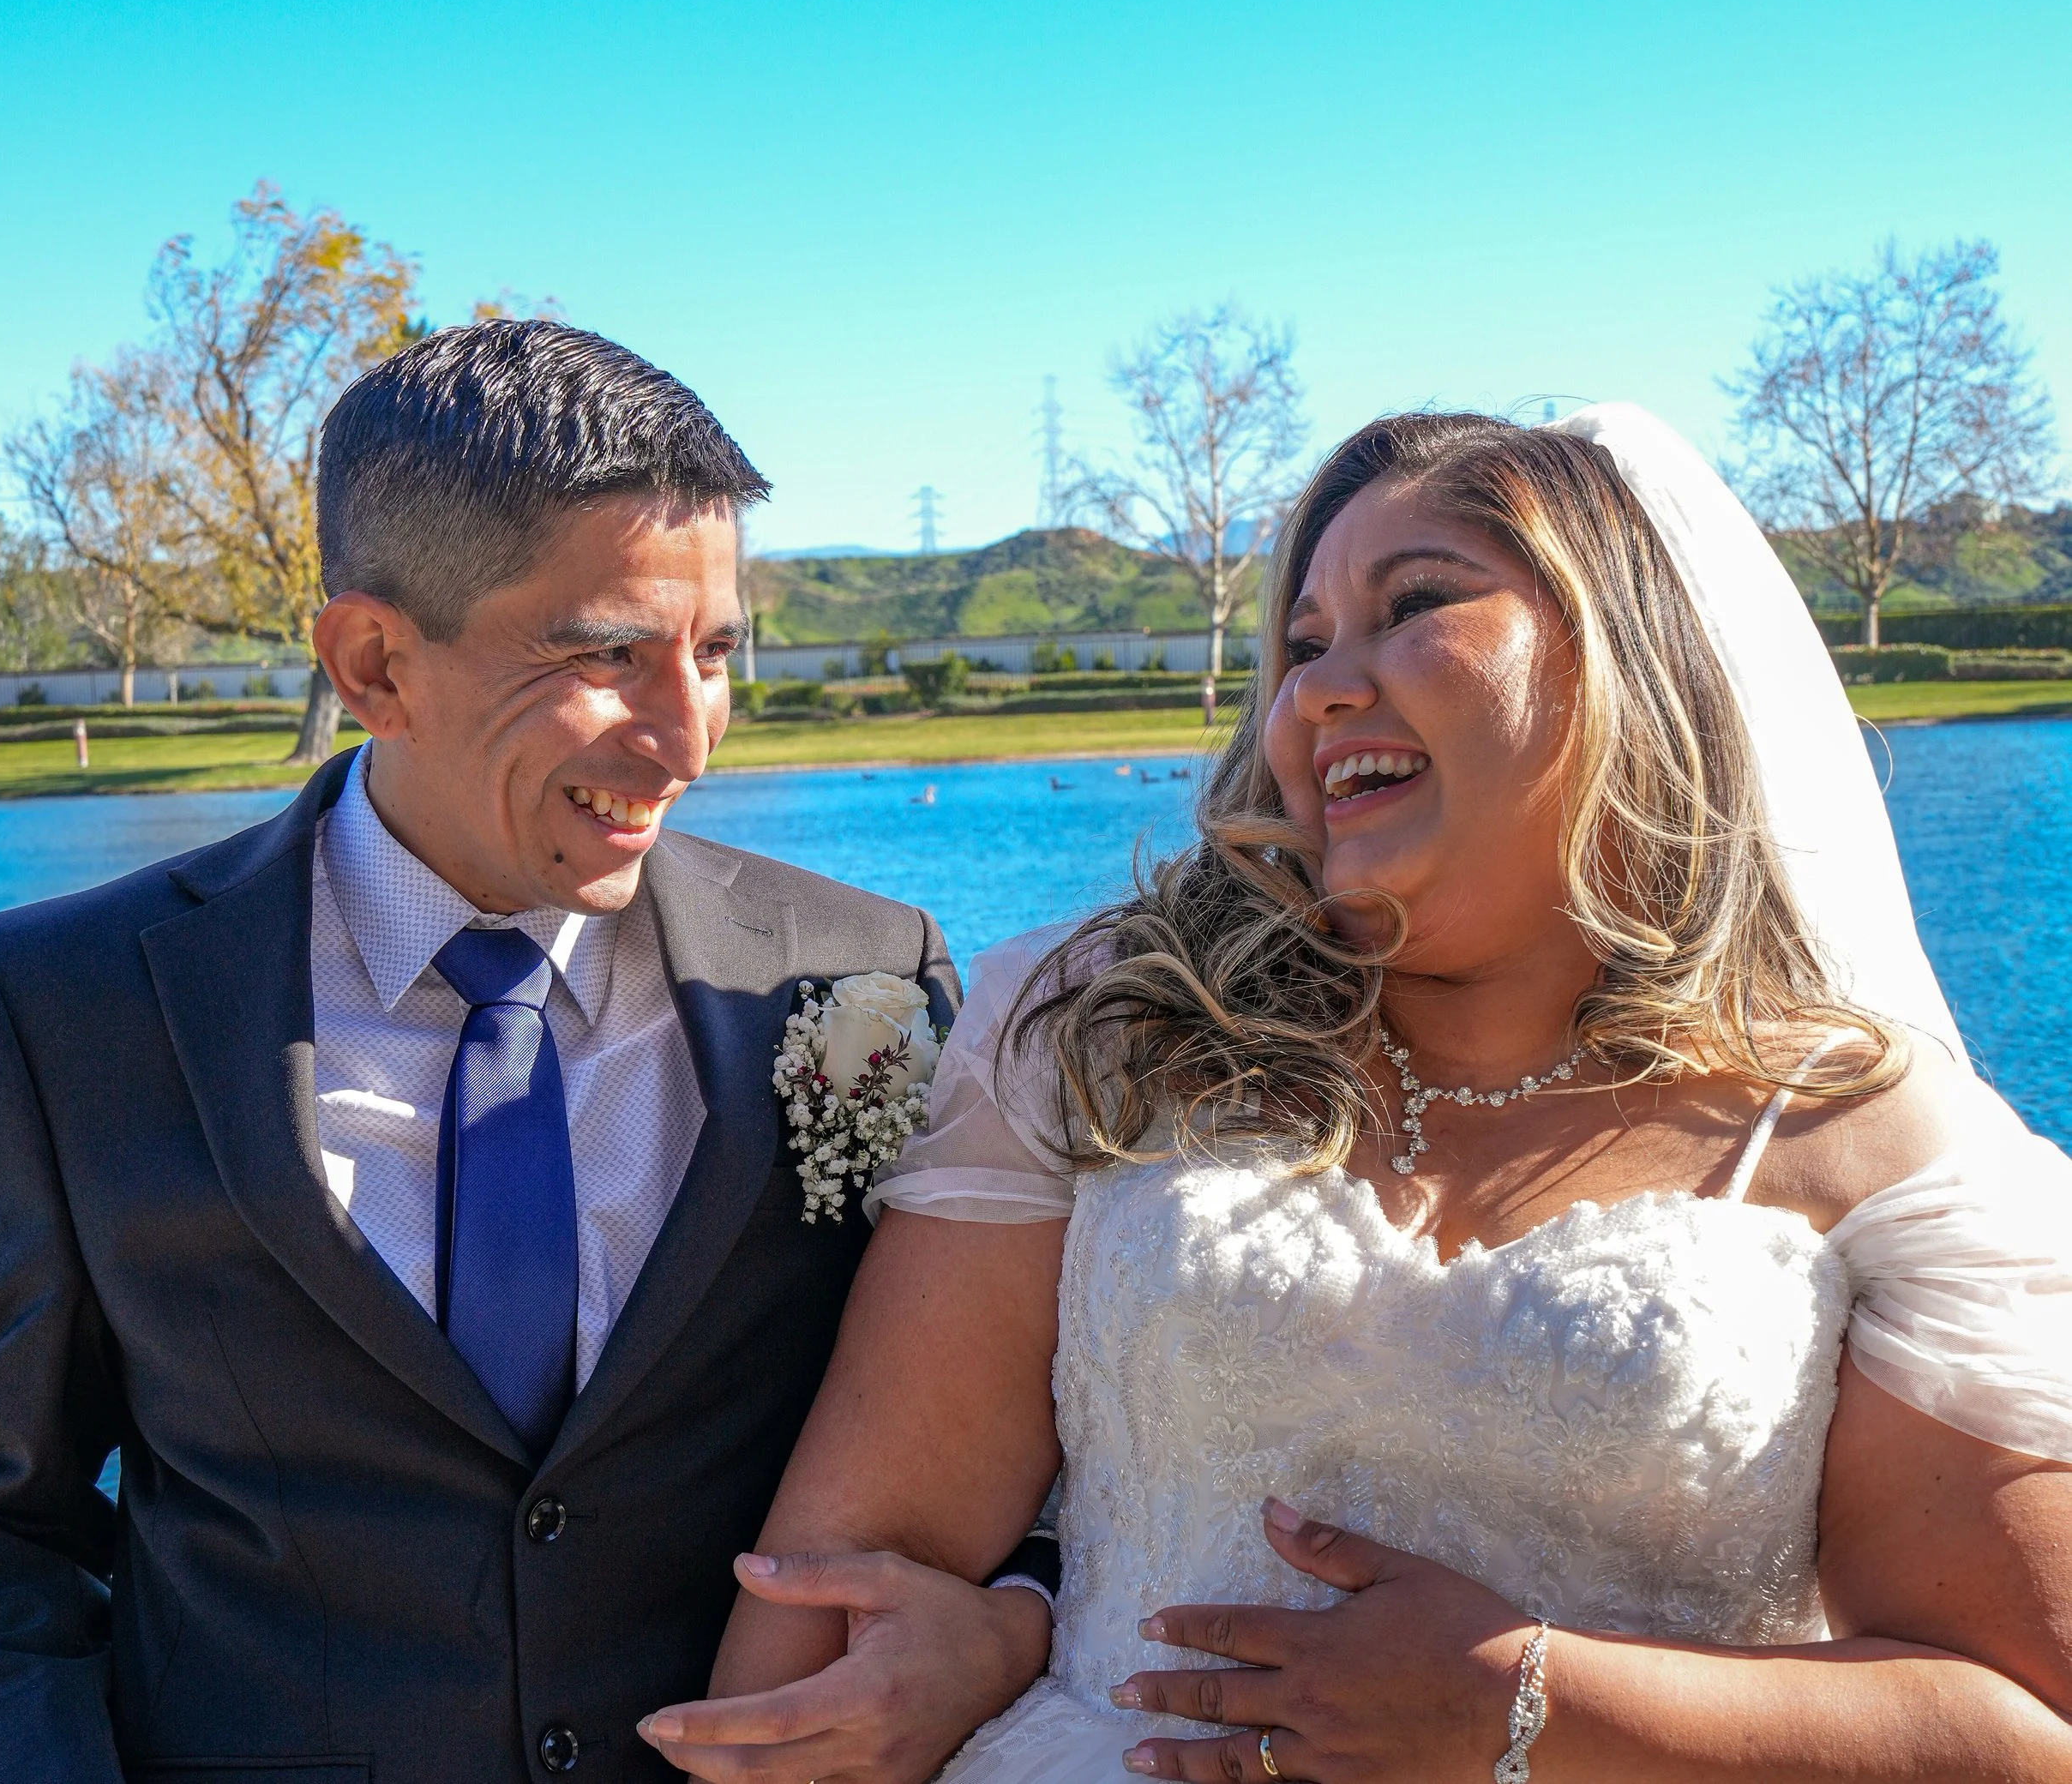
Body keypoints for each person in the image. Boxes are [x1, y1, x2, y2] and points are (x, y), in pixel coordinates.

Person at [659, 406, 2072, 1783]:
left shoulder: (1870, 1140)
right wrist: (1008, 1637)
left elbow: (2022, 1719)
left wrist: (1532, 1707)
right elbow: (828, 1620)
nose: (1324, 685)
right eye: (1303, 643)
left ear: (1625, 663)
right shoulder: (1099, 1036)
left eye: (1418, 604)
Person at [0, 321, 1050, 1782]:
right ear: (376, 661)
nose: (689, 738)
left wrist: (1009, 1619)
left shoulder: (857, 973)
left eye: (714, 653)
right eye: (607, 655)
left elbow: (1017, 1414)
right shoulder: (67, 1004)